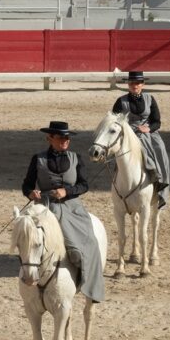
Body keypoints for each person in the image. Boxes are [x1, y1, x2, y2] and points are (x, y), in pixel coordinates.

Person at [20, 120, 105, 303]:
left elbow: (84, 185)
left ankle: (88, 282)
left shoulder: (76, 158)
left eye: (67, 138)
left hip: (72, 207)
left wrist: (67, 191)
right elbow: (26, 185)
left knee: (89, 242)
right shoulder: (38, 159)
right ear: (49, 138)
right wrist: (31, 193)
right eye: (60, 138)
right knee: (28, 235)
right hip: (45, 206)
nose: (65, 141)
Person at [111, 71, 170, 209]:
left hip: (149, 133)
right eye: (132, 83)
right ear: (128, 84)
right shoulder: (121, 101)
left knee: (160, 148)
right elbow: (114, 122)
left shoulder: (150, 98)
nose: (135, 85)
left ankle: (160, 181)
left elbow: (157, 122)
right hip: (128, 133)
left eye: (137, 83)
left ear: (143, 84)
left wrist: (148, 129)